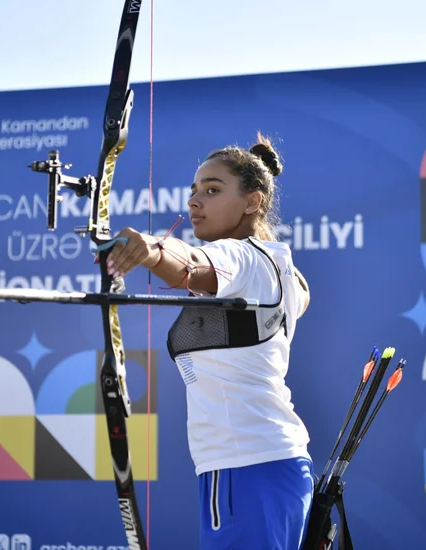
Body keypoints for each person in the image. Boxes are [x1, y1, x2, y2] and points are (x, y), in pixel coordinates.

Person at [105, 132, 313, 549]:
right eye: (194, 191)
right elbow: (297, 291)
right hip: (271, 464)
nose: (194, 201)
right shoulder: (277, 266)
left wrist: (151, 250)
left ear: (252, 202)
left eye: (212, 190)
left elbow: (192, 263)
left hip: (246, 467)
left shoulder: (241, 256)